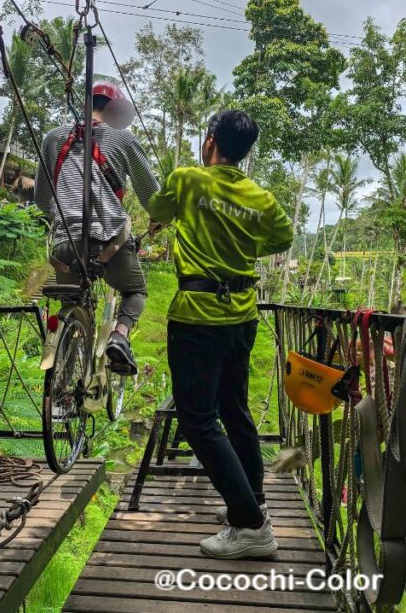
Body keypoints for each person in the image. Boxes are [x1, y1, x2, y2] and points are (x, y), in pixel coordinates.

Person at [147, 109, 293, 559]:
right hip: (242, 315)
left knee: (198, 420)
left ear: (210, 141)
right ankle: (253, 501)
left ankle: (250, 525)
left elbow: (157, 211)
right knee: (234, 409)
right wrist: (244, 242)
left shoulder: (187, 179)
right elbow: (283, 238)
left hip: (198, 315)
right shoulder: (260, 197)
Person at [36, 81, 161, 374]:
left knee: (71, 300)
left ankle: (64, 373)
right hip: (110, 243)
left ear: (85, 106)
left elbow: (42, 199)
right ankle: (120, 336)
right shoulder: (124, 139)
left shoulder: (52, 138)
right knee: (136, 291)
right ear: (116, 111)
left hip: (65, 244)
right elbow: (152, 197)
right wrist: (157, 218)